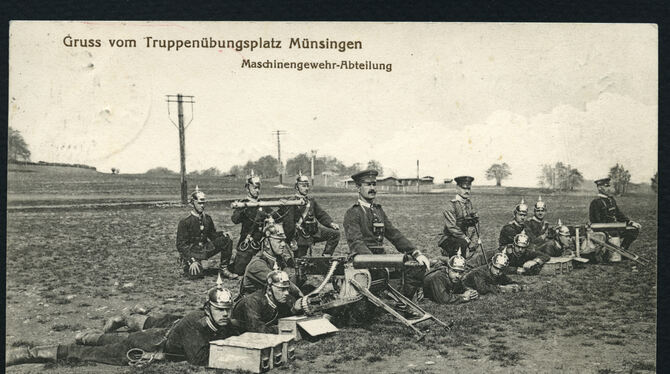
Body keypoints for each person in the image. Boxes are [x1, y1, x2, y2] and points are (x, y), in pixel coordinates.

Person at [6, 281, 237, 367]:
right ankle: (27, 353)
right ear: (208, 309)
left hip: (154, 336)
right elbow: (198, 359)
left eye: (228, 310)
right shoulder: (194, 323)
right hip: (149, 346)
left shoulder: (216, 321)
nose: (225, 314)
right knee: (91, 355)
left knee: (115, 342)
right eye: (220, 310)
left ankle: (87, 335)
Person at [342, 169, 431, 299]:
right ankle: (391, 299)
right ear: (358, 187)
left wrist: (416, 252)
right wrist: (376, 263)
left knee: (415, 265)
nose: (372, 188)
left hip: (381, 258)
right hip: (363, 260)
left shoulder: (378, 210)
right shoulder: (352, 213)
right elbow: (357, 243)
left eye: (374, 184)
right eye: (368, 184)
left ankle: (402, 302)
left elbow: (394, 234)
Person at [176, 186, 237, 279]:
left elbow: (212, 235)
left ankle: (224, 269)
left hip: (205, 249)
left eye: (203, 203)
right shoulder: (185, 221)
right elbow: (181, 245)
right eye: (199, 203)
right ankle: (186, 265)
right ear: (193, 203)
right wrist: (191, 260)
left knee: (227, 239)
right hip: (192, 252)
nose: (202, 205)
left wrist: (223, 234)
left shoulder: (207, 218)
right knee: (196, 275)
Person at [281, 173, 341, 258]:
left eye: (307, 186)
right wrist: (291, 240)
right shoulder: (291, 202)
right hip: (300, 236)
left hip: (314, 232)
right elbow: (288, 224)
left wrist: (330, 223)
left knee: (335, 234)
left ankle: (326, 257)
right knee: (301, 262)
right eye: (303, 186)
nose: (306, 188)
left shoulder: (310, 201)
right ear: (296, 187)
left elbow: (321, 214)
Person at [240, 217, 302, 298]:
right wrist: (300, 294)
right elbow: (280, 283)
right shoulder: (257, 264)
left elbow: (288, 280)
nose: (283, 244)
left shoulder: (278, 259)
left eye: (284, 241)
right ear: (266, 243)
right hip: (255, 303)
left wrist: (300, 273)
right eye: (279, 241)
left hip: (271, 297)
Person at [232, 268, 305, 333]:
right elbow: (257, 330)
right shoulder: (253, 301)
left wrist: (294, 310)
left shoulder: (280, 298)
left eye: (287, 289)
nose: (286, 293)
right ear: (269, 290)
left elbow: (283, 317)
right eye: (281, 289)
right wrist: (283, 328)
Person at [230, 172, 272, 276]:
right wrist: (241, 208)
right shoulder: (243, 203)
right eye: (254, 188)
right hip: (247, 242)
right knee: (239, 271)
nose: (257, 191)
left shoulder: (263, 204)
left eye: (258, 188)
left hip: (262, 242)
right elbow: (235, 220)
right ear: (247, 188)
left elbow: (276, 217)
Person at [589, 177, 641, 251]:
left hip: (614, 227)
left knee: (634, 230)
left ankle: (623, 250)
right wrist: (605, 232)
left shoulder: (611, 200)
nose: (609, 188)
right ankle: (611, 252)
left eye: (609, 186)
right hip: (604, 230)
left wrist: (630, 222)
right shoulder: (596, 202)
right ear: (600, 188)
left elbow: (618, 214)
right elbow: (595, 221)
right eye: (606, 186)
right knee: (613, 234)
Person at [438, 176, 481, 258]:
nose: (467, 191)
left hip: (463, 237)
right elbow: (452, 228)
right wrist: (467, 239)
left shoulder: (468, 203)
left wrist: (474, 219)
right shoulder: (451, 205)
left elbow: (472, 219)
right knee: (461, 247)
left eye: (468, 189)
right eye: (464, 188)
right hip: (449, 238)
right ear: (457, 188)